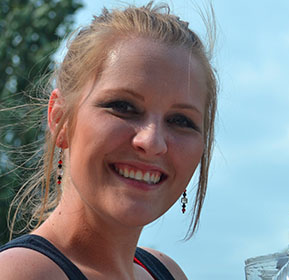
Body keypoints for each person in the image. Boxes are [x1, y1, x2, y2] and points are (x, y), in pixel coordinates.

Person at [0, 1, 217, 279]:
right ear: (60, 119)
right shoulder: (21, 273)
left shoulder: (166, 272)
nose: (152, 142)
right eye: (122, 106)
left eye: (181, 121)